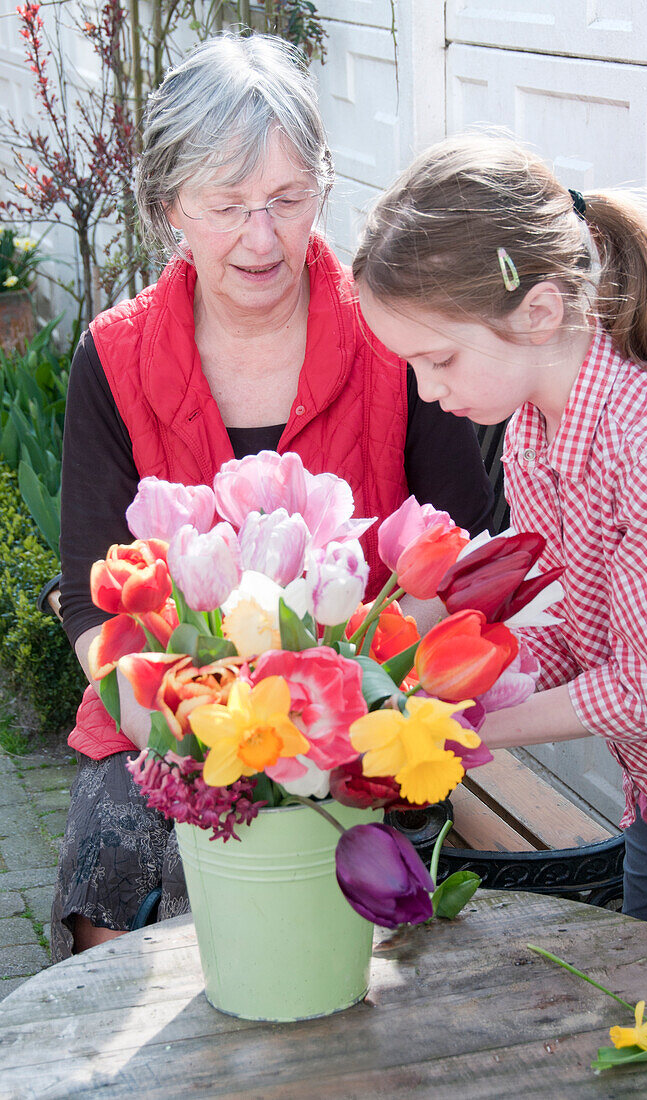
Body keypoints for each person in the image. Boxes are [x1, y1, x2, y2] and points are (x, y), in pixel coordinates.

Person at [51, 37, 494, 962]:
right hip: (164, 726)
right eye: (227, 206)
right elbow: (99, 613)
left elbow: (457, 559)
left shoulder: (391, 336)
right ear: (170, 203)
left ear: (324, 189)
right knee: (117, 899)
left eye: (288, 200)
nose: (263, 238)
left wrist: (345, 732)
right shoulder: (116, 357)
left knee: (368, 938)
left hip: (371, 723)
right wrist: (202, 752)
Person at [352, 130, 647, 969]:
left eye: (438, 357)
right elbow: (579, 636)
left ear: (540, 312)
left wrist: (458, 730)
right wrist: (438, 684)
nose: (425, 388)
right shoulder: (532, 436)